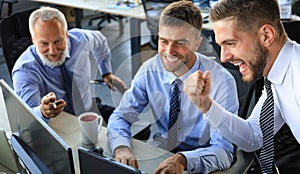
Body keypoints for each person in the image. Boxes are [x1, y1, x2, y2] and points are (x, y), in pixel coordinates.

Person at [107, 1, 239, 173]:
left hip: (205, 160)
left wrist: (184, 160)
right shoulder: (149, 69)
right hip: (163, 151)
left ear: (197, 44)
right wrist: (121, 147)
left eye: (180, 43)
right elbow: (121, 116)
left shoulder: (222, 82)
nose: (169, 51)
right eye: (164, 41)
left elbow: (224, 150)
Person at [183, 0, 300, 173]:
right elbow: (254, 136)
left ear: (266, 35)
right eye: (221, 45)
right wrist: (206, 105)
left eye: (230, 43)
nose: (223, 57)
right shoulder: (277, 76)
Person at [12, 7, 127, 123]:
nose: (53, 51)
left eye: (58, 41)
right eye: (44, 43)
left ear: (66, 35)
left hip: (88, 108)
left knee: (132, 122)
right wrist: (43, 112)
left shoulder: (80, 40)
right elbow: (29, 118)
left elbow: (100, 41)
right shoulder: (24, 70)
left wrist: (106, 73)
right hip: (58, 123)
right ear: (33, 40)